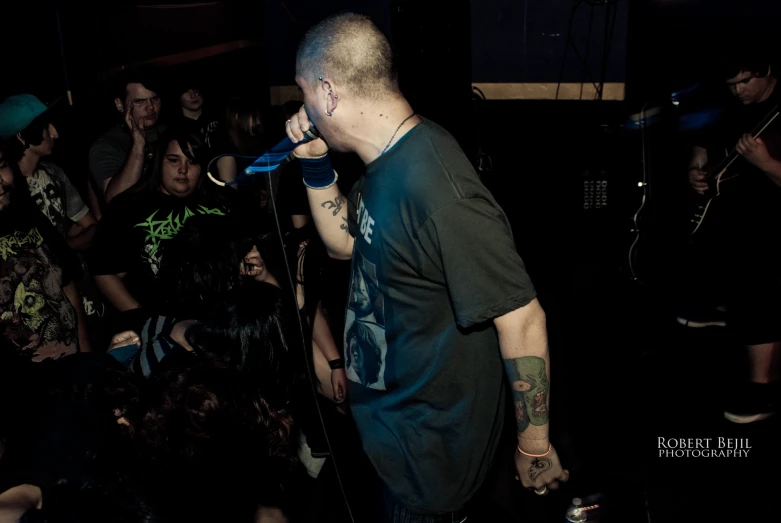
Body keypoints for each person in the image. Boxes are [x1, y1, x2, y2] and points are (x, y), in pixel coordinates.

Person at [285, 12, 567, 520]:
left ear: (327, 92)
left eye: (305, 93)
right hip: (389, 429)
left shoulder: (440, 190)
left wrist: (534, 445)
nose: (305, 108)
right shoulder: (386, 161)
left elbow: (523, 318)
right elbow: (345, 243)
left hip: (427, 457)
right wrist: (313, 160)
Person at [683, 46, 781, 423]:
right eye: (732, 84)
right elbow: (705, 137)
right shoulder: (732, 105)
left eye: (745, 81)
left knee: (760, 302)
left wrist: (767, 163)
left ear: (767, 69)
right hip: (737, 221)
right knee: (741, 293)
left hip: (773, 227)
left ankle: (762, 391)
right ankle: (719, 310)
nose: (739, 90)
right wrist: (695, 165)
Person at [90, 129, 233, 325]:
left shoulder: (220, 203)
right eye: (174, 160)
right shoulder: (128, 207)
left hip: (218, 322)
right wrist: (144, 320)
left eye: (192, 162)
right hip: (159, 328)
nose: (183, 169)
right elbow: (104, 272)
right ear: (159, 162)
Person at [0, 146, 91, 361]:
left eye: (2, 166)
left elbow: (66, 284)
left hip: (70, 364)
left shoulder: (27, 214)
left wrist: (86, 355)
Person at [0, 94, 98, 251]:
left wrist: (61, 248)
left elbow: (92, 226)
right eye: (46, 127)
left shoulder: (54, 172)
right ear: (23, 135)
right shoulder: (6, 191)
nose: (54, 133)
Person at [89, 71, 165, 205]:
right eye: (140, 101)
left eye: (155, 99)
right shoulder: (106, 145)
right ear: (120, 104)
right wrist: (138, 146)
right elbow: (114, 200)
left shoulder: (169, 133)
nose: (150, 107)